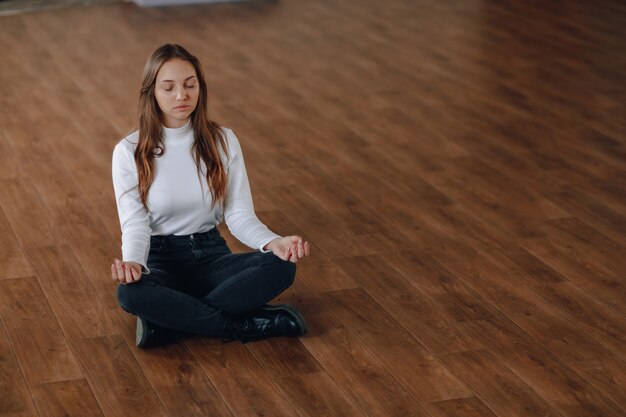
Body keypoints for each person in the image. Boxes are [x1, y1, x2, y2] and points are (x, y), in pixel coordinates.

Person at [110, 43, 310, 348]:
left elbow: (239, 215)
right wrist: (134, 263)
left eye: (190, 85)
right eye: (169, 88)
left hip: (211, 255)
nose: (182, 95)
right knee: (130, 293)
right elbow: (135, 224)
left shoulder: (223, 140)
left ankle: (172, 323)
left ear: (200, 88)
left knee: (281, 265)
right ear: (151, 92)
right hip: (161, 258)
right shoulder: (129, 151)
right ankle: (243, 324)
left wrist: (274, 242)